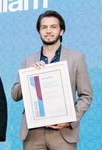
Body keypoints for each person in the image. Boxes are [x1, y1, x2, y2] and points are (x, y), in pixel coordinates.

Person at [11, 10, 93, 150]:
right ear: (39, 32)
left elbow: (86, 96)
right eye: (44, 27)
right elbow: (15, 95)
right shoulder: (28, 60)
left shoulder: (76, 58)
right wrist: (29, 74)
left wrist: (70, 120)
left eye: (53, 27)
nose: (48, 31)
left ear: (61, 31)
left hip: (63, 133)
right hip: (33, 134)